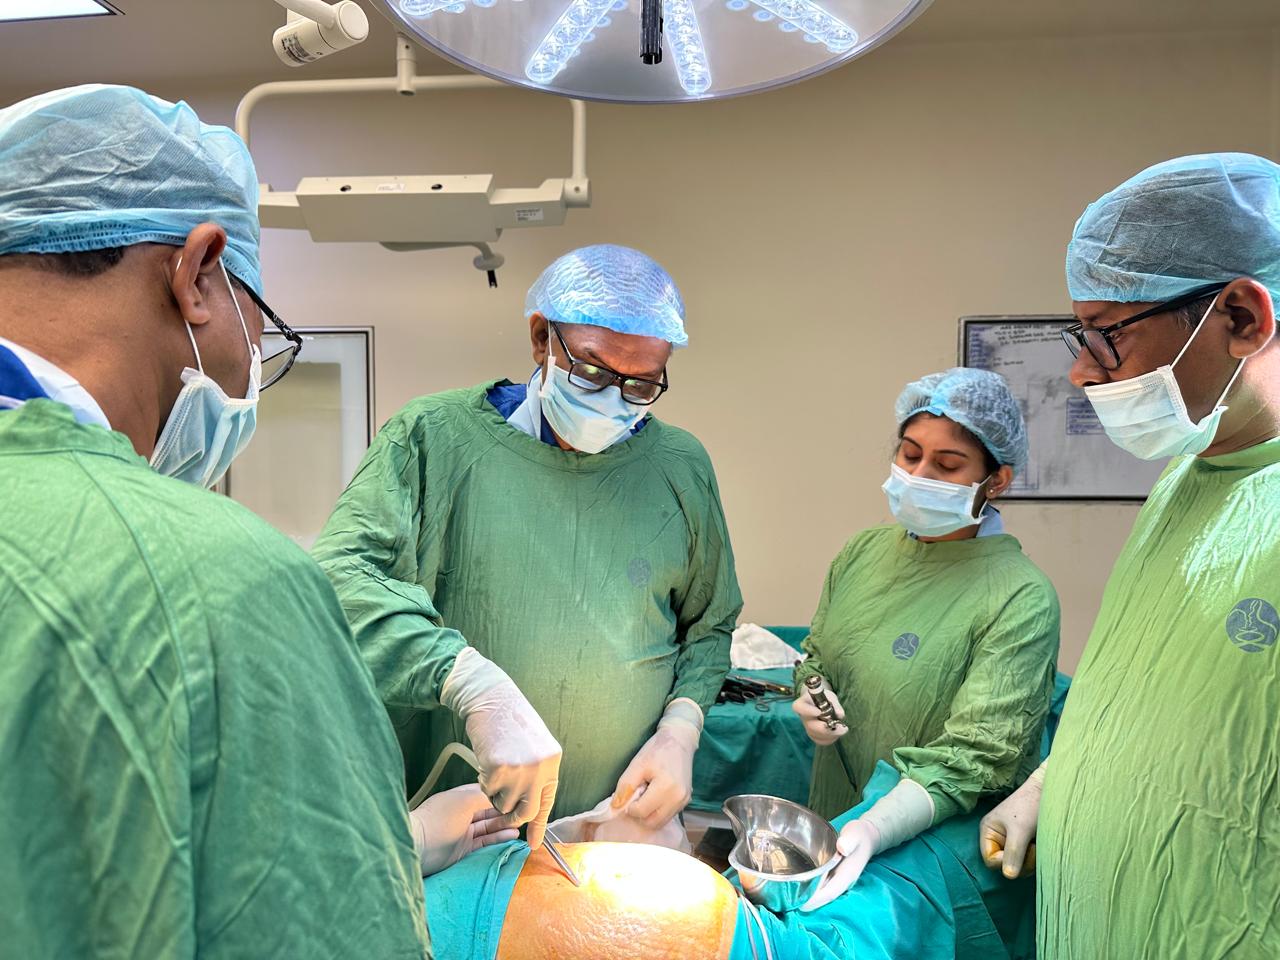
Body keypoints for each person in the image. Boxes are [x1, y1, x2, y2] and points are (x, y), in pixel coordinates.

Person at [0, 84, 509, 958]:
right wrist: (362, 861)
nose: (247, 374)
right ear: (199, 273)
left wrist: (394, 840)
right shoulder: (220, 582)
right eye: (262, 332)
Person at [313, 244, 743, 842]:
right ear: (542, 338)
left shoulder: (680, 466)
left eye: (641, 385)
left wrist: (681, 728)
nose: (612, 399)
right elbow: (338, 580)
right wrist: (467, 681)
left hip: (614, 828)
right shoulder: (432, 438)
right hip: (463, 833)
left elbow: (710, 625)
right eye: (592, 371)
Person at [977, 153, 1280, 958]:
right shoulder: (1187, 477)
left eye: (1107, 335)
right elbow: (1166, 695)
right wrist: (1055, 781)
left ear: (1242, 318)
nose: (1080, 372)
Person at [794, 368, 1060, 910]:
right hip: (835, 818)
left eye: (947, 465)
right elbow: (819, 653)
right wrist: (812, 693)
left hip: (935, 856)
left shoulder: (1021, 596)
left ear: (997, 481)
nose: (918, 474)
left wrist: (878, 825)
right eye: (910, 454)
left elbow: (977, 754)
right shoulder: (862, 553)